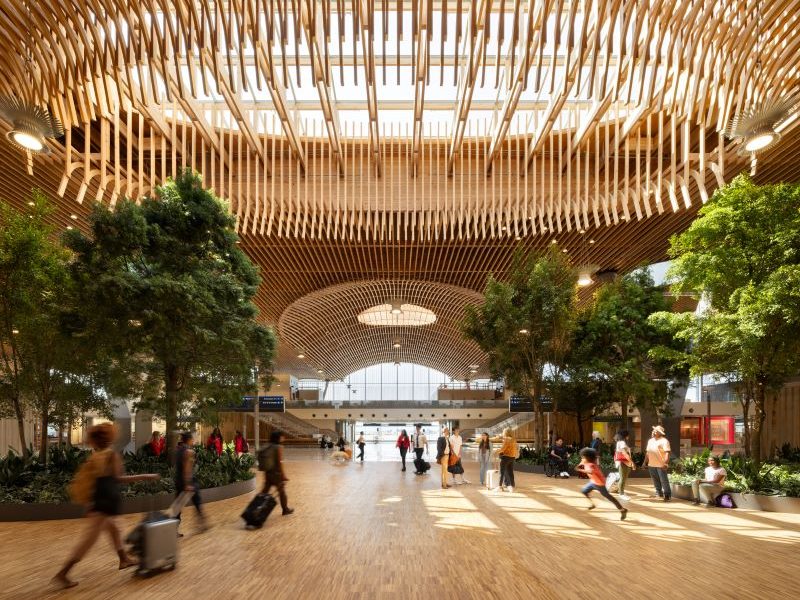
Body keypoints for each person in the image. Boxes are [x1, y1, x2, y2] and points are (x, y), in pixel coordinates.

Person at [53, 423, 160, 589]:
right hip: (106, 503)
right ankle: (63, 573)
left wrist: (90, 504)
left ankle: (123, 559)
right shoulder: (111, 455)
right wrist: (146, 476)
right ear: (110, 437)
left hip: (99, 502)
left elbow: (91, 482)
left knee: (115, 528)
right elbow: (120, 479)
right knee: (88, 541)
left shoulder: (95, 456)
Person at [171, 431, 209, 535]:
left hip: (178, 481)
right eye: (192, 439)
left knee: (178, 507)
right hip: (187, 482)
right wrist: (188, 484)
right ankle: (202, 523)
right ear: (189, 440)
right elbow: (187, 469)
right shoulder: (189, 452)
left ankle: (173, 529)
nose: (193, 441)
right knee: (197, 501)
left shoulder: (178, 450)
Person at [576, 448, 628, 520]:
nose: (582, 458)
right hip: (593, 482)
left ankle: (622, 510)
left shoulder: (591, 465)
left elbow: (590, 471)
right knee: (584, 491)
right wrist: (580, 464)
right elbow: (582, 464)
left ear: (587, 457)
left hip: (599, 484)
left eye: (583, 457)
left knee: (609, 497)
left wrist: (580, 469)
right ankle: (593, 504)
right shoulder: (586, 462)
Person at [258, 430, 294, 515]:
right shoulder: (278, 447)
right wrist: (283, 475)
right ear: (278, 437)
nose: (283, 438)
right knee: (282, 492)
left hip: (268, 473)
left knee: (264, 492)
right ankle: (285, 509)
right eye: (282, 436)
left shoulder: (268, 445)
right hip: (276, 474)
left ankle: (254, 507)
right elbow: (279, 462)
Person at [642, 425, 672, 502]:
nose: (654, 432)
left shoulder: (664, 441)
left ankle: (667, 495)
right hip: (651, 464)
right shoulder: (650, 441)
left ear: (660, 433)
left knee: (663, 480)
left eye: (656, 431)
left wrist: (665, 463)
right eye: (654, 430)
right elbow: (648, 452)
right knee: (655, 480)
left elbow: (667, 453)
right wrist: (645, 462)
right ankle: (658, 493)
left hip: (661, 464)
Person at [613, 430, 636, 500]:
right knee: (623, 478)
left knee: (623, 478)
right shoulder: (622, 442)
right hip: (623, 462)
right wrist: (632, 462)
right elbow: (624, 453)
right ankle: (621, 493)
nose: (628, 436)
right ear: (625, 436)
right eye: (628, 435)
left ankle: (621, 491)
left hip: (622, 462)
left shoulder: (619, 442)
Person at [496, 427, 518, 492]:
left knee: (501, 472)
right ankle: (512, 486)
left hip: (505, 457)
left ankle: (499, 486)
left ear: (505, 432)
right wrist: (499, 437)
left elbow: (502, 449)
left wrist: (496, 451)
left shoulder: (506, 439)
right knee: (510, 472)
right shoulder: (513, 439)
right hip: (512, 457)